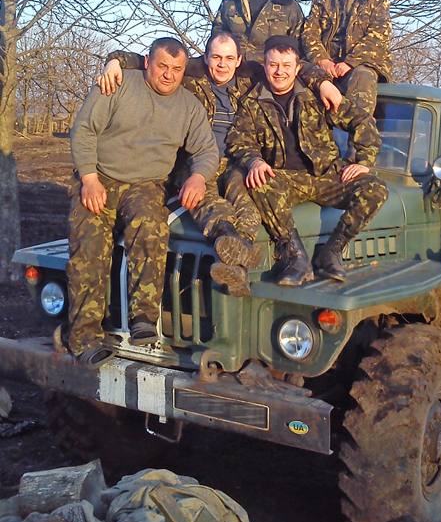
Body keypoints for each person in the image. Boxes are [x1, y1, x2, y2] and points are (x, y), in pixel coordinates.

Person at [99, 32, 342, 295]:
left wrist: (323, 83)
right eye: (216, 57)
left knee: (247, 204)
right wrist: (114, 61)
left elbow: (290, 64)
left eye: (229, 58)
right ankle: (230, 241)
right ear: (206, 58)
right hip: (196, 161)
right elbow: (152, 60)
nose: (222, 64)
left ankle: (237, 260)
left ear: (239, 60)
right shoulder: (193, 75)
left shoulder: (252, 75)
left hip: (238, 161)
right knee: (206, 200)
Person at [67, 38, 219, 368]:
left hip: (145, 184)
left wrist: (198, 177)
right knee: (90, 245)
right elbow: (84, 131)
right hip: (101, 176)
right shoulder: (118, 84)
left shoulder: (189, 106)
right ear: (147, 61)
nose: (169, 75)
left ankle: (143, 321)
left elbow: (206, 151)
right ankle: (85, 338)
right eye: (162, 66)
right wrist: (89, 178)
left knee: (151, 226)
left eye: (177, 69)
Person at [226, 36, 389, 287]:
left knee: (375, 188)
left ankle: (332, 252)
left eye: (286, 65)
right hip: (284, 177)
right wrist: (254, 161)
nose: (280, 71)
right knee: (257, 182)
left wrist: (364, 159)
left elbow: (361, 120)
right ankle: (296, 257)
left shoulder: (316, 95)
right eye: (273, 65)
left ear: (297, 68)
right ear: (265, 65)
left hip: (326, 174)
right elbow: (240, 141)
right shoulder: (252, 103)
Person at [301, 0, 392, 117]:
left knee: (361, 80)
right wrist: (322, 59)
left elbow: (379, 36)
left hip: (364, 64)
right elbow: (309, 33)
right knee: (300, 77)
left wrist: (351, 62)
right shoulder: (322, 0)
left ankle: (360, 140)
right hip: (328, 65)